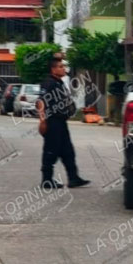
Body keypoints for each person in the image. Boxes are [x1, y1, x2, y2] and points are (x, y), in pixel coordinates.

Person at [37, 57, 91, 190]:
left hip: (61, 122)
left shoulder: (59, 82)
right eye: (60, 66)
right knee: (50, 151)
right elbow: (40, 102)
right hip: (52, 122)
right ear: (53, 69)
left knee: (68, 151)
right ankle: (46, 180)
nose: (64, 69)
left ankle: (74, 178)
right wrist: (43, 121)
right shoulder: (48, 83)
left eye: (63, 66)